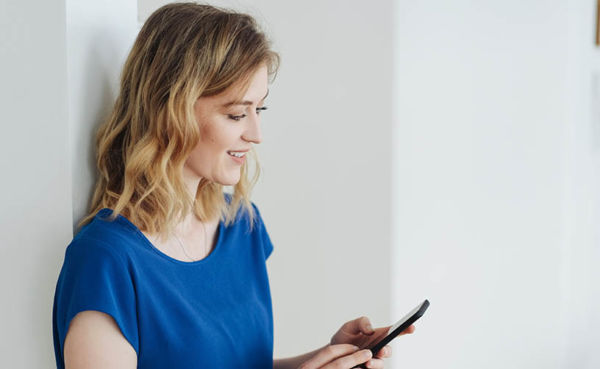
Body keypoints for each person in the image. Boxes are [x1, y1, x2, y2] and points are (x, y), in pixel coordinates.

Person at [52, 2, 414, 368]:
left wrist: (326, 360)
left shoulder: (242, 226)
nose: (256, 134)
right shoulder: (105, 261)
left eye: (261, 110)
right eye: (237, 114)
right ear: (170, 110)